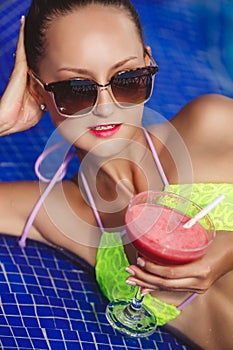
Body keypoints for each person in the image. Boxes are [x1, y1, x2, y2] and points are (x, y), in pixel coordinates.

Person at [0, 1, 232, 349]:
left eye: (127, 80)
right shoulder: (60, 211)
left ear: (148, 64)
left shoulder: (211, 126)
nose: (106, 106)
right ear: (37, 90)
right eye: (76, 89)